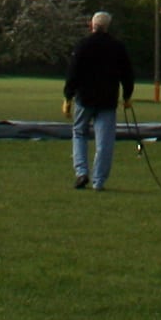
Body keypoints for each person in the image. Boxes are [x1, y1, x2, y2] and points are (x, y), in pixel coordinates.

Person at [62, 11, 135, 191]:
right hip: (108, 100)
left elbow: (73, 72)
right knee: (104, 142)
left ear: (91, 25)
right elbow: (127, 74)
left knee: (79, 133)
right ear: (108, 26)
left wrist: (68, 96)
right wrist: (127, 96)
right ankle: (99, 181)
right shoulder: (117, 47)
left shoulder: (83, 45)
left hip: (84, 99)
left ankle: (81, 172)